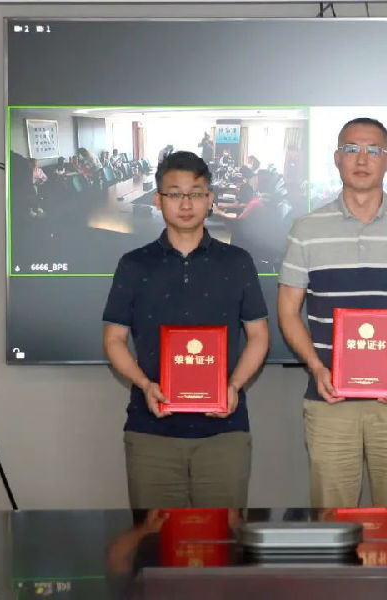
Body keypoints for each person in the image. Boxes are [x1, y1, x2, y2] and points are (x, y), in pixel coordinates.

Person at [277, 117, 387, 508]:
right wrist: (316, 368)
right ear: (336, 158)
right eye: (351, 149)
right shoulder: (306, 228)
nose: (362, 159)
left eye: (373, 150)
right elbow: (287, 311)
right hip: (330, 398)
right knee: (332, 519)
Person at [103, 151, 269, 509]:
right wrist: (144, 384)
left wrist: (234, 385)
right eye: (175, 194)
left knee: (223, 538)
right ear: (157, 200)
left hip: (225, 431)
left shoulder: (237, 262)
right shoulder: (133, 264)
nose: (186, 203)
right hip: (151, 429)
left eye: (196, 193)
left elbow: (259, 336)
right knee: (155, 538)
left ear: (210, 199)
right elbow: (114, 340)